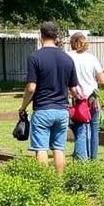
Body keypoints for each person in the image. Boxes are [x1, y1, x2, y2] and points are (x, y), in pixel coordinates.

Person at [18, 21, 80, 174]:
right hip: (62, 111)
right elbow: (74, 90)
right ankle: (59, 182)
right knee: (59, 149)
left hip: (42, 110)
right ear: (56, 36)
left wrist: (23, 107)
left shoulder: (35, 58)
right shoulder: (68, 59)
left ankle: (45, 182)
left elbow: (31, 87)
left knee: (41, 149)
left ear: (41, 36)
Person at [67, 33, 104, 161]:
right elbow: (102, 80)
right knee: (94, 128)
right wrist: (100, 86)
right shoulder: (92, 58)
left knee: (80, 128)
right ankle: (93, 157)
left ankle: (82, 157)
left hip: (76, 98)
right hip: (92, 98)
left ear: (72, 42)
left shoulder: (68, 56)